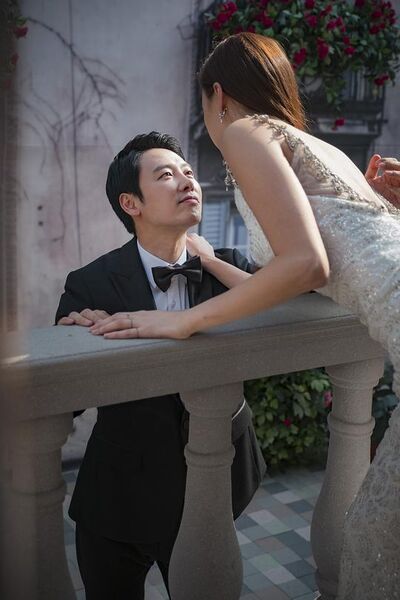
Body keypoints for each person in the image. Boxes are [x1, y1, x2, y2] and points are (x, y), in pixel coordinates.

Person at [90, 34, 400, 600]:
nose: (188, 177)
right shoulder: (318, 148)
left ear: (219, 95)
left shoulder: (244, 131)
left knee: (374, 545)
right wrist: (210, 261)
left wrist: (184, 321)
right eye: (166, 174)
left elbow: (305, 264)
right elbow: (327, 269)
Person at [56, 131, 266, 600]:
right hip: (120, 495)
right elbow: (65, 403)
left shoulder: (229, 268)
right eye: (166, 175)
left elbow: (298, 299)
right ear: (130, 203)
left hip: (212, 482)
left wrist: (211, 262)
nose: (188, 181)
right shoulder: (90, 283)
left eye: (188, 172)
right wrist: (74, 338)